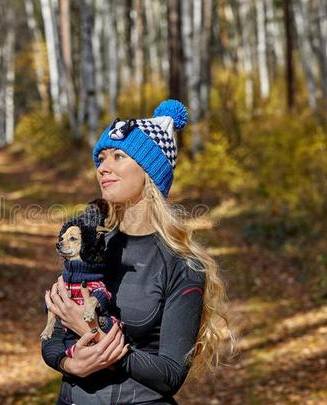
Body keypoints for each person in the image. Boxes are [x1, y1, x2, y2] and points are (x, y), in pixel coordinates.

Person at [42, 99, 235, 404]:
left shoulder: (182, 264)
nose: (103, 167)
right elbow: (52, 339)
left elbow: (170, 375)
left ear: (150, 171)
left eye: (118, 156)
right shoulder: (93, 245)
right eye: (101, 159)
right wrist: (69, 363)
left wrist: (93, 332)